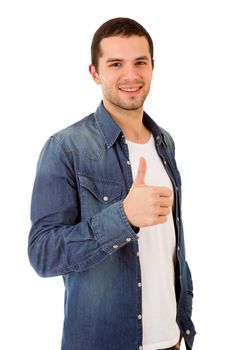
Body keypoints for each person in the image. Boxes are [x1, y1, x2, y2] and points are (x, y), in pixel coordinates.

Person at [28, 17, 196, 350]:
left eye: (140, 62)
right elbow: (43, 253)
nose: (131, 75)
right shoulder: (66, 147)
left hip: (170, 342)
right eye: (116, 64)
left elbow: (169, 249)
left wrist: (181, 329)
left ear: (152, 67)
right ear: (95, 73)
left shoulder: (165, 143)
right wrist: (124, 217)